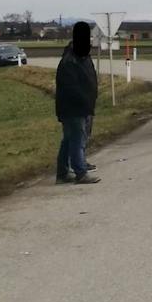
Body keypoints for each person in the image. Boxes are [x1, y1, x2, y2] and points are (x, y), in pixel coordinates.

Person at [55, 21, 101, 184]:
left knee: (69, 140)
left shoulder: (83, 57)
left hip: (82, 106)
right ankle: (80, 172)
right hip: (74, 108)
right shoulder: (70, 61)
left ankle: (62, 173)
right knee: (77, 140)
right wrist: (85, 102)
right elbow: (71, 88)